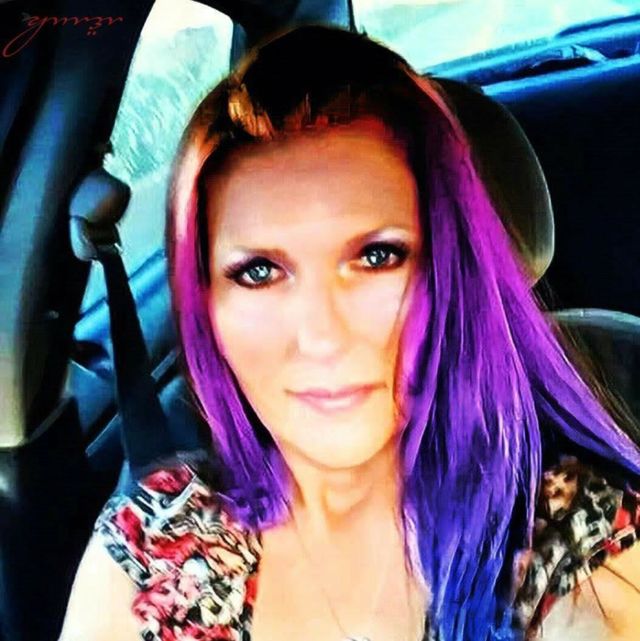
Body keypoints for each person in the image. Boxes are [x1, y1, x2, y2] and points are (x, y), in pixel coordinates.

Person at [59, 24, 640, 641]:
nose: (322, 337)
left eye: (377, 257)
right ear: (207, 309)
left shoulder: (573, 536)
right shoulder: (150, 548)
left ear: (452, 275)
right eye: (259, 272)